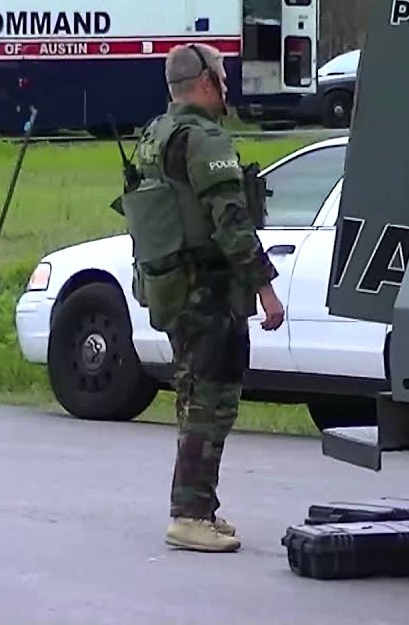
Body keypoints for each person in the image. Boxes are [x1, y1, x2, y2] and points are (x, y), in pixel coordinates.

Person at [114, 43, 285, 553]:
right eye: (223, 76)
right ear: (206, 81)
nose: (227, 85)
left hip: (171, 285)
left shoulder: (154, 135)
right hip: (208, 289)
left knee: (193, 397)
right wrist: (266, 290)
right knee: (212, 401)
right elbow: (230, 223)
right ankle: (189, 513)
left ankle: (200, 506)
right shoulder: (205, 139)